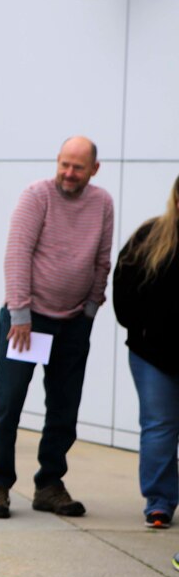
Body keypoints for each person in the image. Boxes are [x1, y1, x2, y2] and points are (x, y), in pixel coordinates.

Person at [0, 136, 113, 520]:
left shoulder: (102, 202)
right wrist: (20, 315)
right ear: (56, 162)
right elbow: (17, 253)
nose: (69, 173)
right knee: (9, 404)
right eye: (64, 164)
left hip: (73, 323)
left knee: (63, 409)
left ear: (94, 169)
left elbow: (103, 258)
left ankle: (49, 485)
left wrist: (90, 308)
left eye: (78, 167)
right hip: (29, 322)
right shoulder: (36, 196)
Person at [113, 174, 179, 529]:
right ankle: (159, 501)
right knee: (159, 426)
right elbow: (123, 286)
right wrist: (140, 329)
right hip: (152, 354)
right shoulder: (150, 236)